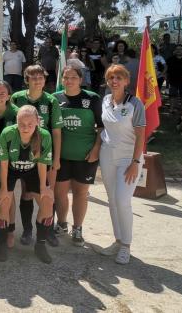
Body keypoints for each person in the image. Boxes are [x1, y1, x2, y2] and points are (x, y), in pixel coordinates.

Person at [98, 64, 145, 265]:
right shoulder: (106, 100)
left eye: (118, 78)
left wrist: (135, 162)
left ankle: (126, 245)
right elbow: (104, 129)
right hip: (107, 155)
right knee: (112, 199)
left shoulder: (135, 103)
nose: (114, 81)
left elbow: (141, 135)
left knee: (122, 200)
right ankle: (118, 240)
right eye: (111, 78)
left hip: (129, 158)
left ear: (126, 81)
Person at [10, 65, 62, 247]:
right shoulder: (16, 98)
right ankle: (27, 230)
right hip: (24, 153)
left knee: (48, 192)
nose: (37, 80)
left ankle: (48, 231)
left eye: (40, 77)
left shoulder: (51, 101)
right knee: (27, 193)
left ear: (45, 79)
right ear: (27, 79)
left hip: (45, 154)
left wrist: (56, 159)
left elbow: (56, 131)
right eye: (33, 77)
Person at [0, 105, 55, 263]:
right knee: (3, 202)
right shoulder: (8, 134)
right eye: (22, 124)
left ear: (37, 122)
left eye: (30, 124)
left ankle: (40, 244)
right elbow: (3, 164)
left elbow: (43, 164)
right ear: (16, 122)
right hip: (10, 170)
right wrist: (3, 189)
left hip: (33, 170)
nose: (26, 128)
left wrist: (44, 188)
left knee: (47, 201)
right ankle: (2, 243)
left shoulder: (45, 136)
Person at [53, 66, 103, 246]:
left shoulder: (92, 98)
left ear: (81, 80)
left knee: (81, 193)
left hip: (85, 156)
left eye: (73, 77)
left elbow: (102, 127)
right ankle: (61, 224)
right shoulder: (56, 98)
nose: (69, 80)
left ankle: (78, 228)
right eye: (66, 77)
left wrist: (96, 148)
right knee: (60, 193)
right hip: (62, 157)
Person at [166, 45, 182, 112]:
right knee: (172, 95)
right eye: (177, 49)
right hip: (173, 80)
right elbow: (166, 70)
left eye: (180, 49)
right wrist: (166, 78)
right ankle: (172, 108)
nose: (178, 50)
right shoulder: (169, 59)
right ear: (174, 51)